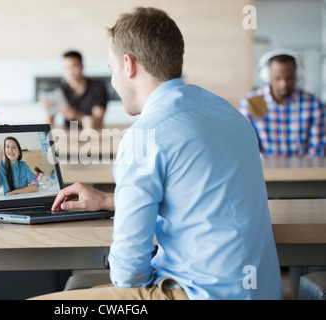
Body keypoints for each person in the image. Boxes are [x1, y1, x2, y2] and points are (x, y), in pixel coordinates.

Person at [31, 7, 282, 300]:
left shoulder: (145, 135)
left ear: (128, 65)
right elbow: (197, 198)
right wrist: (108, 200)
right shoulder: (228, 113)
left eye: (112, 69)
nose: (113, 81)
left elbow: (128, 273)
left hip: (196, 294)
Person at [239, 49, 325, 157]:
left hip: (304, 171)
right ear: (267, 75)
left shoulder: (313, 104)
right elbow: (247, 146)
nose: (283, 84)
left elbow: (316, 149)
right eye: (278, 78)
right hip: (265, 171)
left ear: (297, 75)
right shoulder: (250, 103)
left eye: (289, 78)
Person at [40, 50, 108, 129]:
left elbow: (97, 123)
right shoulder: (59, 90)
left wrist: (74, 115)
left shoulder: (97, 88)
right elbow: (48, 124)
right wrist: (48, 110)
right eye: (66, 68)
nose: (70, 71)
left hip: (92, 137)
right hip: (68, 137)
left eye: (73, 67)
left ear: (81, 67)